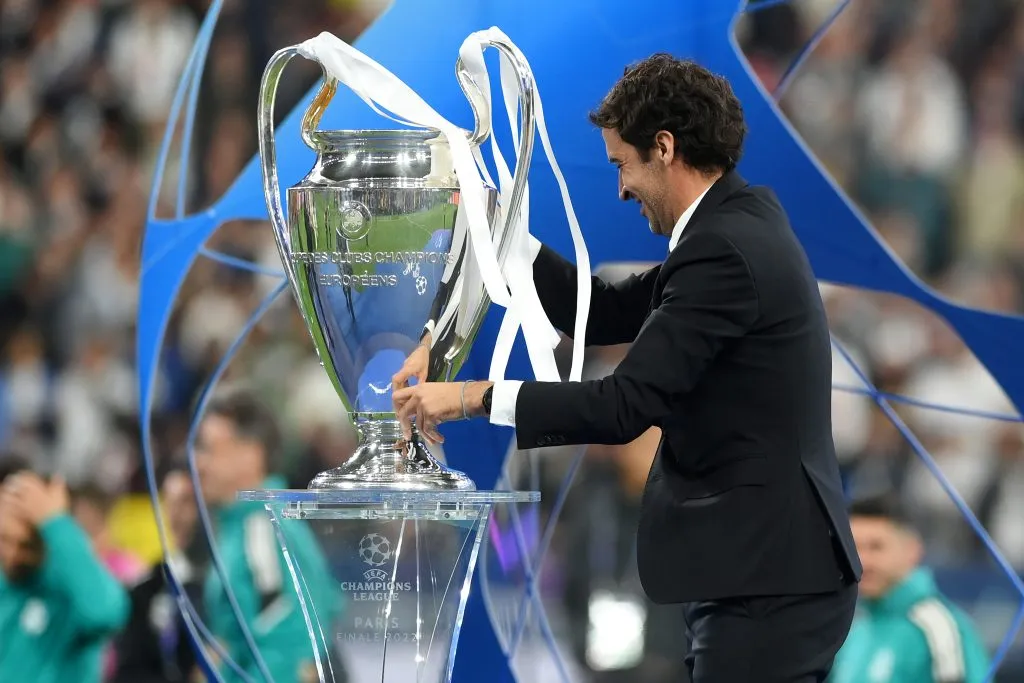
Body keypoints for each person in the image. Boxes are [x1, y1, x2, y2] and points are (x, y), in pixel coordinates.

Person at [393, 53, 862, 682]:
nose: (620, 188)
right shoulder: (738, 224)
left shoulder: (723, 249)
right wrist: (500, 229)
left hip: (768, 582)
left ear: (663, 147)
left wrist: (473, 396)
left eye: (623, 164)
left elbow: (622, 406)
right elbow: (604, 313)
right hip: (763, 574)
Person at [195, 391, 340, 683]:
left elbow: (288, 647)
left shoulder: (262, 528)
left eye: (209, 449)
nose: (198, 463)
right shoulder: (252, 523)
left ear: (251, 454)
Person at [829, 495, 990, 683]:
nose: (863, 561)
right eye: (855, 548)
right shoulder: (854, 627)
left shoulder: (939, 629)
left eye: (876, 547)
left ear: (912, 550)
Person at [0, 458, 130, 683]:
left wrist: (55, 521)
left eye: (25, 545)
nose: (12, 554)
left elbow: (106, 613)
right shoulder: (5, 588)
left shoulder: (70, 590)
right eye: (3, 540)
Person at [112, 469, 204, 683]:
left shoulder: (224, 581)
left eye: (187, 502)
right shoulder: (148, 587)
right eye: (169, 503)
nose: (176, 514)